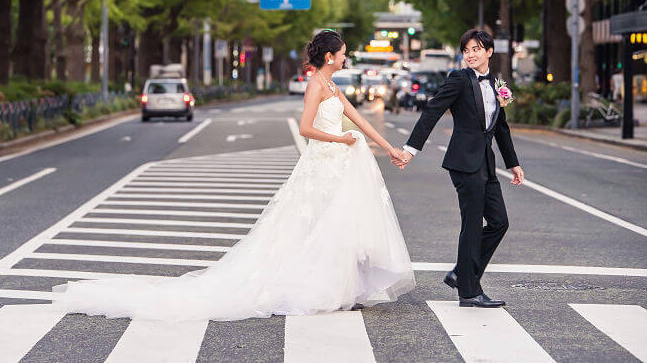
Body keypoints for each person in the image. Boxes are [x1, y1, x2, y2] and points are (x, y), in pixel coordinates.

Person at [50, 30, 416, 321]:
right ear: (328, 57)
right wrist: (339, 138)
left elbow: (360, 119)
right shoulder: (315, 85)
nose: (346, 56)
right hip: (321, 164)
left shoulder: (334, 86)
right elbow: (305, 128)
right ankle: (319, 288)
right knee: (310, 227)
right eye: (343, 52)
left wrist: (389, 148)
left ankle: (341, 289)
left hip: (337, 164)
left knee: (332, 228)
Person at [397, 29, 524, 308]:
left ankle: (462, 273)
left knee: (499, 222)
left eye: (477, 49)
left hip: (486, 163)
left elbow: (500, 127)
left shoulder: (496, 84)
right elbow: (432, 110)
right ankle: (468, 291)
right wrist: (411, 149)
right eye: (467, 50)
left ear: (489, 52)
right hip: (464, 163)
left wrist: (512, 163)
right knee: (472, 224)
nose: (471, 54)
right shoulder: (459, 79)